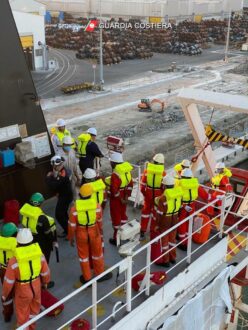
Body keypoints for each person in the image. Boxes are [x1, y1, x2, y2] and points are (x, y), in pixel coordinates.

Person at [2, 228, 50, 330]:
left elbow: (8, 282)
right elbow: (45, 272)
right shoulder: (39, 255)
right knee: (33, 312)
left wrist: (4, 295)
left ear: (18, 242)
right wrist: (45, 283)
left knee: (22, 316)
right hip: (36, 287)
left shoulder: (14, 261)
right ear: (32, 241)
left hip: (22, 291)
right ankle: (32, 327)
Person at [68, 184, 112, 284]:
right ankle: (99, 275)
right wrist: (100, 232)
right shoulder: (97, 206)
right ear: (91, 195)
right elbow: (99, 221)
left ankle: (87, 278)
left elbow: (72, 225)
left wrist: (70, 238)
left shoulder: (74, 209)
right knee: (97, 255)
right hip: (94, 232)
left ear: (80, 195)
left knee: (84, 257)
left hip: (81, 233)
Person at [20, 192, 57, 288]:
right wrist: (53, 241)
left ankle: (36, 281)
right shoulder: (42, 218)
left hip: (30, 240)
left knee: (35, 263)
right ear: (41, 204)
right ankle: (45, 283)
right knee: (43, 264)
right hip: (42, 243)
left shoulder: (26, 213)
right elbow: (48, 234)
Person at [155, 176, 183, 267]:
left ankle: (166, 261)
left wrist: (157, 225)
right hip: (174, 219)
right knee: (172, 240)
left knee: (165, 242)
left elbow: (159, 213)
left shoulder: (162, 198)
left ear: (164, 186)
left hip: (165, 221)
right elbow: (180, 207)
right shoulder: (178, 195)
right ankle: (173, 258)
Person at [109, 152, 133, 246]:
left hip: (117, 199)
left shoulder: (115, 174)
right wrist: (126, 196)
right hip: (125, 195)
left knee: (116, 218)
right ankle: (124, 234)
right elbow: (130, 184)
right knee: (123, 215)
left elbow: (114, 190)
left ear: (114, 163)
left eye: (111, 162)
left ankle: (116, 238)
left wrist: (121, 199)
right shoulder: (127, 171)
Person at [140, 153, 166, 240]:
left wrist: (145, 194)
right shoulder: (163, 173)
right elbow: (164, 188)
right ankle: (152, 232)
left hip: (148, 194)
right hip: (158, 196)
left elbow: (142, 186)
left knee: (145, 213)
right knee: (155, 215)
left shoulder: (147, 171)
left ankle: (142, 231)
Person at [46, 155, 73, 237]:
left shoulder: (63, 173)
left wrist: (48, 178)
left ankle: (68, 232)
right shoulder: (62, 170)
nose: (54, 167)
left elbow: (54, 185)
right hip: (65, 194)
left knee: (59, 215)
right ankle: (69, 229)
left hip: (65, 196)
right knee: (63, 213)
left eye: (54, 165)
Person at [82, 168, 107, 248]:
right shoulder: (100, 185)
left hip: (90, 211)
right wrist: (101, 209)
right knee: (99, 228)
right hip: (99, 209)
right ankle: (101, 244)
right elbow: (105, 199)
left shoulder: (85, 188)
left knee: (90, 228)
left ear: (86, 179)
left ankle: (93, 245)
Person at [177, 169, 199, 250]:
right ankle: (187, 241)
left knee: (182, 223)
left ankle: (182, 243)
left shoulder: (180, 183)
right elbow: (201, 193)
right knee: (189, 223)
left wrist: (183, 205)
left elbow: (177, 196)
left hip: (184, 206)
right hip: (192, 205)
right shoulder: (195, 183)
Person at [0, 223, 17, 322]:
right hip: (14, 271)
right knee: (19, 293)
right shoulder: (16, 244)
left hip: (3, 270)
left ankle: (7, 314)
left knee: (7, 293)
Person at [61, 136, 81, 200]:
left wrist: (77, 177)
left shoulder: (72, 151)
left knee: (74, 192)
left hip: (72, 176)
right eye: (67, 145)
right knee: (67, 194)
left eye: (70, 145)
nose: (69, 146)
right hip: (64, 179)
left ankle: (74, 203)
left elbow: (74, 166)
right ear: (63, 144)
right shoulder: (59, 155)